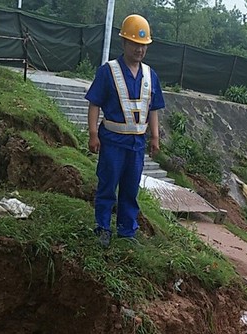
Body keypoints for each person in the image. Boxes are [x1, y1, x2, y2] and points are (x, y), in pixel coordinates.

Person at [85, 14, 165, 247]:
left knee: (130, 189)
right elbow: (94, 104)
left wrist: (155, 137)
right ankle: (102, 228)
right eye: (134, 44)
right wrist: (93, 134)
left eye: (143, 45)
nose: (139, 50)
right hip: (112, 141)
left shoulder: (150, 75)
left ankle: (127, 232)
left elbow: (154, 109)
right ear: (124, 43)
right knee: (107, 185)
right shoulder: (108, 71)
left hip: (136, 144)